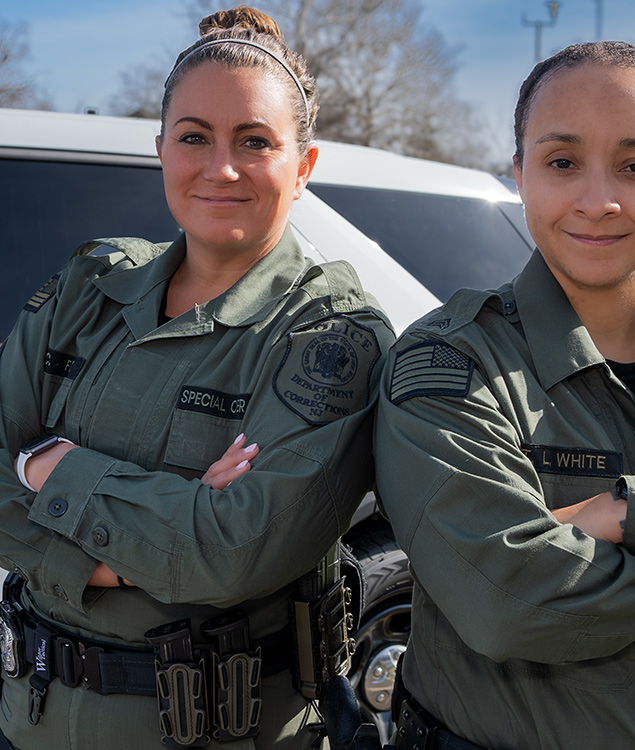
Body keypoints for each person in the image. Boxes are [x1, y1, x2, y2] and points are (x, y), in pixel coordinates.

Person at [0, 6, 394, 749]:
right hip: (31, 721)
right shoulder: (90, 286)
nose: (221, 167)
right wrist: (137, 543)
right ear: (160, 150)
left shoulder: (329, 334)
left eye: (255, 141)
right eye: (194, 138)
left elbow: (229, 553)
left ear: (304, 166)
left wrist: (49, 466)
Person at [375, 41, 635, 750]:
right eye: (561, 162)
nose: (598, 200)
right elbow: (505, 601)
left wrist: (627, 511)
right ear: (519, 174)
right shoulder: (449, 361)